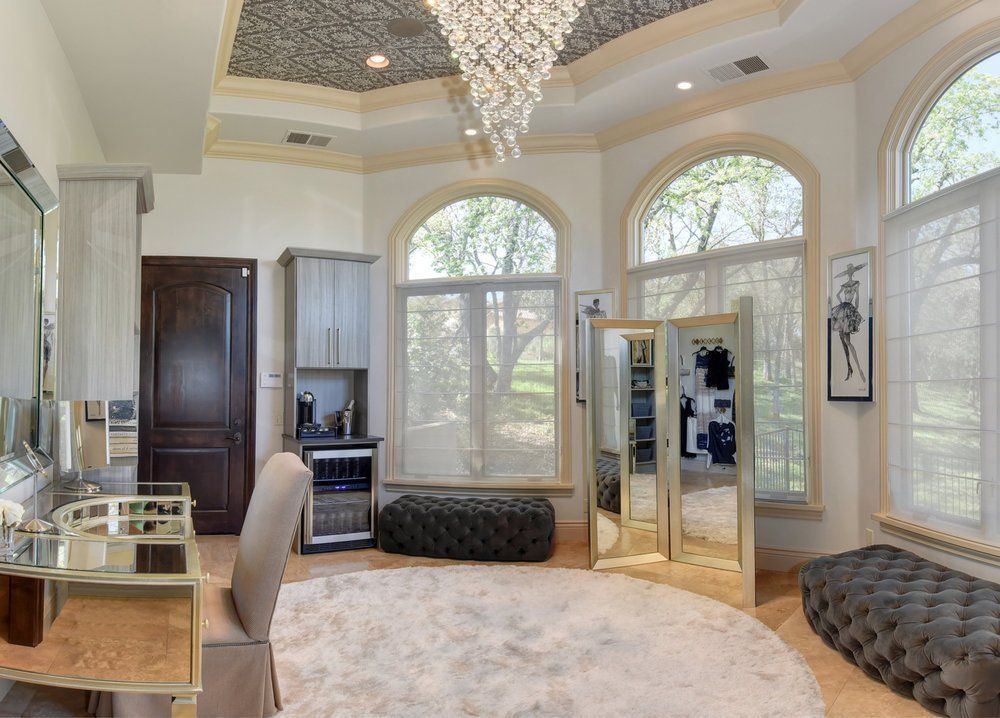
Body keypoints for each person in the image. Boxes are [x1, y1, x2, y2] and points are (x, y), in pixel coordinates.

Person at [831, 262, 867, 383]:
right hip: (843, 309)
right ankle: (850, 368)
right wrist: (842, 303)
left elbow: (857, 297)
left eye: (851, 271)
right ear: (848, 273)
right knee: (843, 340)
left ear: (853, 272)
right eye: (849, 272)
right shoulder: (845, 285)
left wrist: (855, 308)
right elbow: (837, 295)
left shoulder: (856, 283)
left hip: (848, 310)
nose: (850, 273)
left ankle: (858, 368)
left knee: (847, 342)